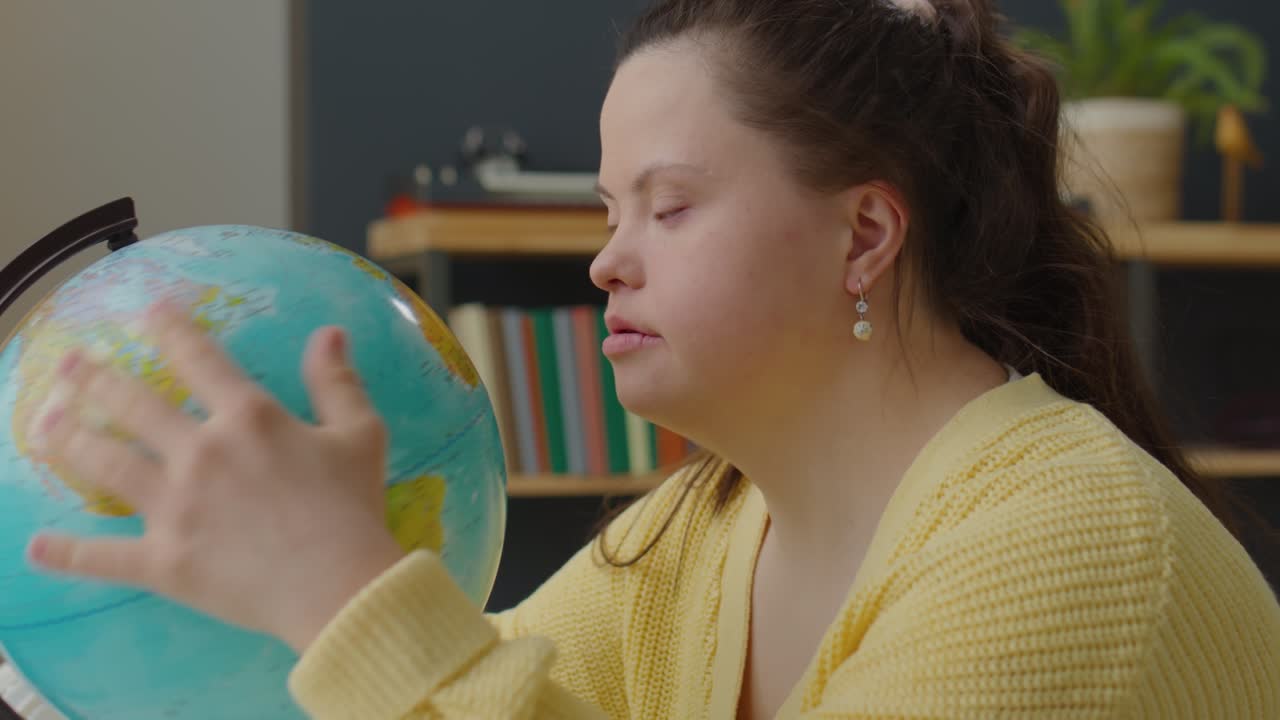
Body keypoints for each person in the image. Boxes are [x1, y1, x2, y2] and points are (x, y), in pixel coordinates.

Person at [22, 0, 1280, 717]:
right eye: (605, 214)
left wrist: (339, 590)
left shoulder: (1069, 549)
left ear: (865, 232)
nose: (606, 265)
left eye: (667, 208)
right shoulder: (697, 533)